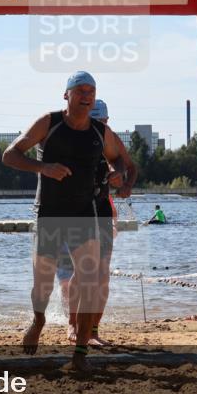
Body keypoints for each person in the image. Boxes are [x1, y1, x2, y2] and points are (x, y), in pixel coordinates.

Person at [2, 72, 132, 372]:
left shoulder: (100, 131)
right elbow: (10, 155)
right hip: (49, 212)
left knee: (88, 283)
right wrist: (43, 167)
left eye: (92, 91)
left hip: (84, 213)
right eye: (80, 90)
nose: (86, 96)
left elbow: (123, 159)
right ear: (67, 95)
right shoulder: (49, 123)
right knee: (42, 284)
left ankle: (80, 354)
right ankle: (39, 320)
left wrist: (118, 174)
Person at [59, 99, 136, 346]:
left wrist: (124, 183)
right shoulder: (71, 139)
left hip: (101, 210)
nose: (95, 126)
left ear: (107, 121)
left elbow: (130, 166)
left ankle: (92, 330)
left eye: (100, 122)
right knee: (83, 273)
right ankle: (73, 325)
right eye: (91, 121)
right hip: (74, 210)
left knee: (102, 276)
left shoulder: (109, 138)